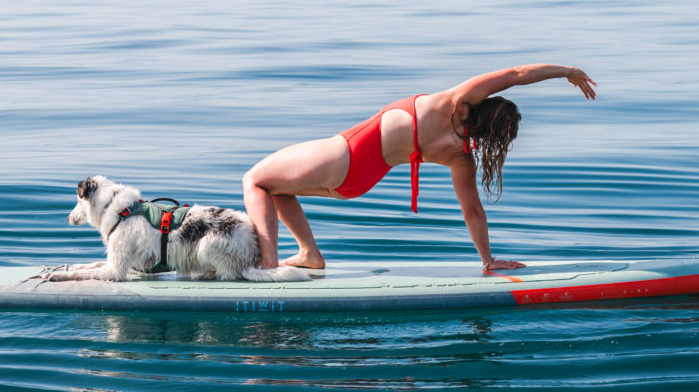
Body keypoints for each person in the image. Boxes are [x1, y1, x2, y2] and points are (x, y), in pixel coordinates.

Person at [242, 64, 596, 272]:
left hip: (343, 156)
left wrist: (566, 71)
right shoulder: (461, 157)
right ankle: (309, 254)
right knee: (277, 188)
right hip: (360, 182)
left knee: (255, 179)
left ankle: (268, 267)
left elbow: (516, 74)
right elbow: (472, 212)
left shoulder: (452, 102)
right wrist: (488, 260)